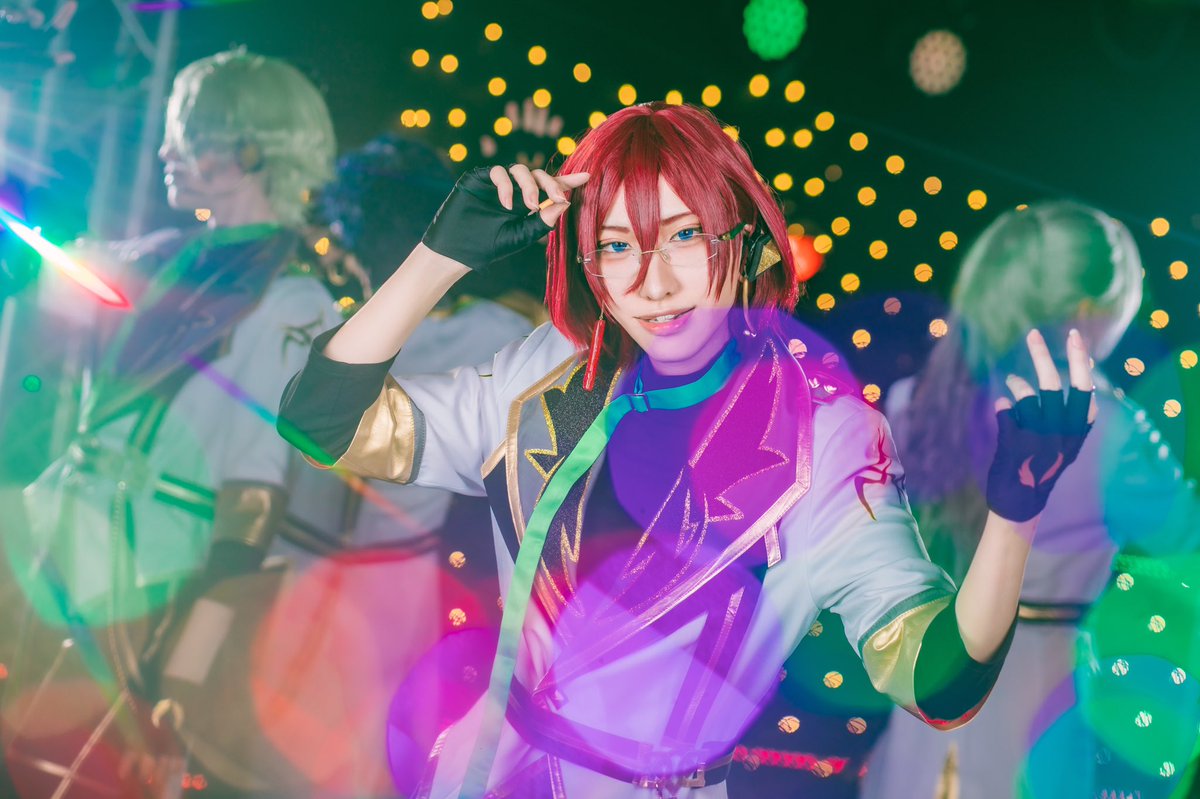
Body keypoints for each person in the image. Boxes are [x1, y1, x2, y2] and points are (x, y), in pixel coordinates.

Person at [278, 102, 1097, 799]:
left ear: (743, 237)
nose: (654, 283)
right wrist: (439, 258)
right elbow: (319, 419)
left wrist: (1013, 514)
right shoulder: (550, 377)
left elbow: (939, 679)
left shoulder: (823, 435)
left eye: (682, 235)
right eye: (617, 246)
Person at [4, 48, 340, 799]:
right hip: (57, 553)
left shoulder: (292, 297)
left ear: (250, 150)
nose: (167, 151)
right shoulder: (163, 259)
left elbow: (253, 494)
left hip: (148, 588)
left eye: (193, 136)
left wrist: (183, 669)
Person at [861, 201, 1200, 799]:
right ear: (1088, 312)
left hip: (929, 671)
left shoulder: (915, 398)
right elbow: (1184, 536)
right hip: (1037, 689)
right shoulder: (1109, 426)